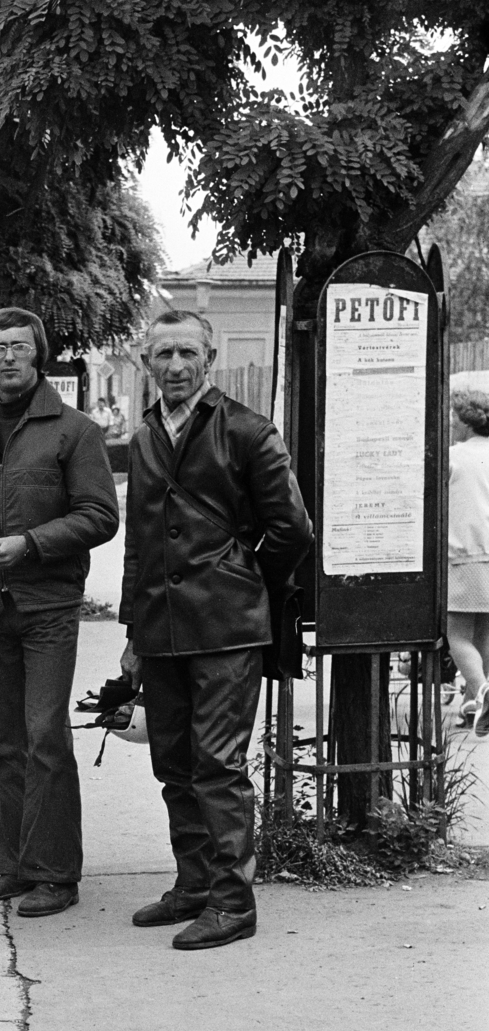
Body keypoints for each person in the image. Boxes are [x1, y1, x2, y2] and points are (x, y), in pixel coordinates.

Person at [118, 310, 312, 951]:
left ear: (210, 358)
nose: (175, 365)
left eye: (187, 353)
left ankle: (233, 904)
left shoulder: (248, 430)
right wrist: (132, 631)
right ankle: (195, 884)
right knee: (173, 763)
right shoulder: (145, 435)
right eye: (163, 354)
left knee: (218, 766)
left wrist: (241, 578)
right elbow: (140, 540)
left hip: (227, 629)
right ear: (147, 362)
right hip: (160, 627)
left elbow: (292, 530)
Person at [0, 307, 120, 916]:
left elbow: (100, 515)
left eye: (20, 347)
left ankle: (56, 874)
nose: (9, 358)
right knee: (0, 739)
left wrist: (31, 543)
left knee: (45, 734)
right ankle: (17, 866)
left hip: (48, 606)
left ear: (38, 355)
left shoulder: (74, 431)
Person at [445, 388, 489, 737]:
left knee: (457, 634)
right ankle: (480, 697)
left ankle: (482, 692)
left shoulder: (454, 459)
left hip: (465, 556)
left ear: (465, 422)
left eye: (454, 418)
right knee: (484, 634)